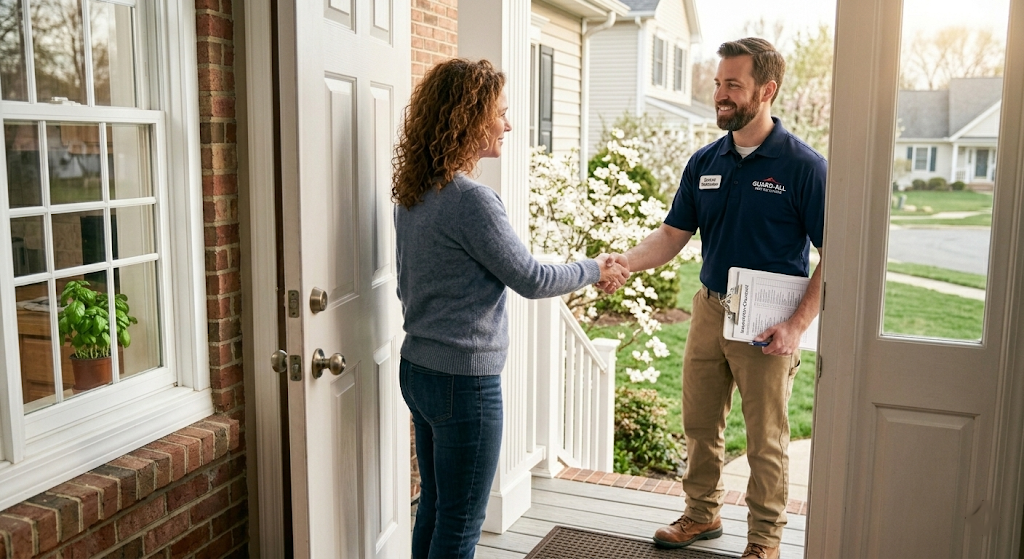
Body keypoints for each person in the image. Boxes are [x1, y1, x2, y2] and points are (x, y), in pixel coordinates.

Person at [391, 58, 629, 559]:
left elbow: (408, 284)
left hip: (418, 369)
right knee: (460, 524)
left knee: (434, 505)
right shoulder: (471, 201)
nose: (509, 123)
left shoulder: (414, 193)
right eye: (500, 112)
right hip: (464, 384)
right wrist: (595, 266)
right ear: (469, 118)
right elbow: (531, 278)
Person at [607, 38, 826, 559]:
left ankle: (764, 540)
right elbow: (671, 236)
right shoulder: (706, 160)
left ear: (767, 90)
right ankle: (702, 514)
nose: (720, 94)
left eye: (733, 84)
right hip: (711, 306)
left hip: (768, 320)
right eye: (717, 83)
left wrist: (796, 326)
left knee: (765, 439)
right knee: (700, 423)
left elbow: (834, 254)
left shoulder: (803, 167)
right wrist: (623, 263)